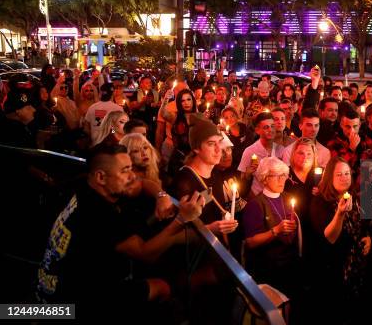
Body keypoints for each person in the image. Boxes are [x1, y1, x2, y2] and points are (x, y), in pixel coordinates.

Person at [36, 144, 205, 321]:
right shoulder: (98, 215)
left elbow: (143, 184)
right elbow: (146, 254)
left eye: (131, 168)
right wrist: (181, 221)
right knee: (162, 287)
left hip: (50, 288)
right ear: (101, 177)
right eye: (125, 171)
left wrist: (161, 197)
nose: (132, 176)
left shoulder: (86, 184)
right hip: (72, 305)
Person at [308, 157, 371, 321]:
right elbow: (330, 237)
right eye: (339, 175)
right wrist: (340, 213)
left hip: (357, 266)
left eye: (347, 173)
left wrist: (369, 238)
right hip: (334, 269)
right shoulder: (320, 202)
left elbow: (363, 226)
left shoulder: (354, 196)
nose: (344, 178)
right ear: (329, 177)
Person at [242, 157, 301, 299]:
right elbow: (250, 242)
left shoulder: (287, 197)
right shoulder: (255, 205)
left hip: (290, 264)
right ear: (265, 178)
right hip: (268, 268)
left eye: (284, 175)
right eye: (277, 176)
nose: (282, 180)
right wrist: (276, 230)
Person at [238, 112, 284, 198]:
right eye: (266, 127)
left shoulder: (281, 150)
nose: (270, 130)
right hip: (256, 197)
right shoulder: (249, 151)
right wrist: (248, 174)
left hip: (276, 196)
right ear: (257, 130)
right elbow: (242, 179)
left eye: (272, 126)